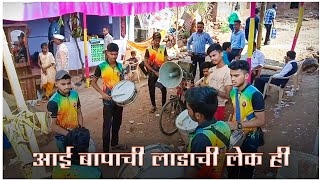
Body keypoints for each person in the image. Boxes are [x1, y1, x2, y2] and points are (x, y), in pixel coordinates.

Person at [227, 60, 265, 178]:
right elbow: (236, 110)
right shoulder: (233, 92)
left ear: (246, 76)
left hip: (251, 138)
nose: (233, 79)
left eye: (236, 76)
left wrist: (237, 125)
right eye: (231, 75)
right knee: (232, 169)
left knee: (246, 171)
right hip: (236, 135)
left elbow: (261, 121)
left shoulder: (255, 94)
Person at [184, 87, 231, 178]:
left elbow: (193, 171)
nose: (187, 111)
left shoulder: (201, 139)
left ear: (198, 115)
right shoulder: (224, 125)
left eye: (188, 109)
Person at [91, 43, 128, 153]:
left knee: (117, 122)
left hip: (119, 100)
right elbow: (93, 82)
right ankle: (106, 150)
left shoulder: (120, 66)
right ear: (107, 53)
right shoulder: (101, 66)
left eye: (116, 54)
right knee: (107, 125)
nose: (114, 57)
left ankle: (115, 144)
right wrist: (102, 94)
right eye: (112, 54)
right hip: (107, 101)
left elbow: (122, 81)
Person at [47, 70, 83, 152]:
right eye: (63, 84)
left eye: (69, 83)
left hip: (75, 132)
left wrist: (80, 129)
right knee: (66, 160)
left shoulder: (75, 94)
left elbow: (79, 113)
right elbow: (52, 125)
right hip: (62, 137)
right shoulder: (53, 102)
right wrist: (69, 134)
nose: (67, 86)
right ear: (56, 84)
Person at [206, 43, 233, 121]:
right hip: (209, 104)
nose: (212, 58)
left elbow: (228, 96)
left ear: (221, 54)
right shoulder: (211, 70)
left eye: (214, 55)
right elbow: (206, 84)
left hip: (219, 106)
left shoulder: (227, 72)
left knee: (216, 128)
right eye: (210, 56)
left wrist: (214, 91)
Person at [144, 32, 168, 113]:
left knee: (163, 89)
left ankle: (164, 106)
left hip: (161, 72)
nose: (157, 42)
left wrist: (162, 70)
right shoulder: (148, 49)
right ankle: (153, 106)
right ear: (153, 40)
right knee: (151, 89)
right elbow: (145, 63)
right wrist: (154, 71)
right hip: (152, 73)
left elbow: (165, 61)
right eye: (156, 40)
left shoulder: (163, 48)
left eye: (159, 40)